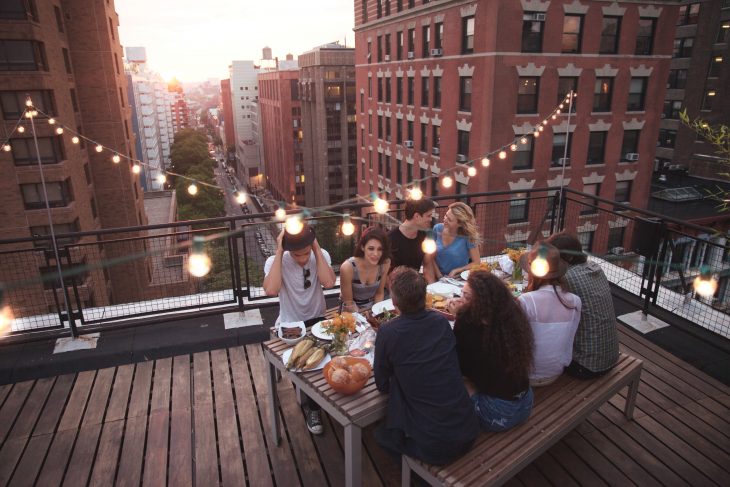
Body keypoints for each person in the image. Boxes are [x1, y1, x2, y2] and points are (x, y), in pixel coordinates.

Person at [374, 267, 478, 465]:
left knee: (381, 435)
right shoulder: (440, 322)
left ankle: (418, 477)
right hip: (468, 429)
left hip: (434, 446)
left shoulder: (388, 332)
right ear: (425, 296)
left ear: (394, 302)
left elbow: (382, 384)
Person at [263, 222, 336, 435]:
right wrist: (279, 251)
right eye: (296, 255)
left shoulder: (319, 254)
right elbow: (271, 289)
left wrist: (315, 249)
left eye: (306, 253)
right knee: (302, 365)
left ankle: (315, 400)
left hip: (318, 319)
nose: (303, 259)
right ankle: (313, 408)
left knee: (326, 359)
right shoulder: (276, 261)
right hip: (290, 324)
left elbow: (329, 282)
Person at [447, 271, 534, 431]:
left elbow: (458, 366)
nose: (460, 299)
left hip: (498, 414)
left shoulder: (468, 326)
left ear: (481, 303)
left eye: (466, 296)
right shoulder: (510, 320)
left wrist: (459, 318)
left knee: (451, 379)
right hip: (525, 403)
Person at [547, 232, 619, 379]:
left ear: (569, 258)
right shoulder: (595, 267)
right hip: (610, 355)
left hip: (586, 365)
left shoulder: (566, 278)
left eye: (554, 257)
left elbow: (547, 309)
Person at [518, 243, 581, 386]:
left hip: (525, 375)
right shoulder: (575, 301)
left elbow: (514, 341)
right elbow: (569, 340)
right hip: (556, 372)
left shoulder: (526, 301)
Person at [424, 202, 481, 282]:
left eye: (449, 220)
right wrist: (439, 275)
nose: (445, 220)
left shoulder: (468, 236)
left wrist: (457, 270)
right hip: (436, 277)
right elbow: (430, 257)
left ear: (460, 224)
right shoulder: (437, 229)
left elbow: (477, 262)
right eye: (446, 215)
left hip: (458, 278)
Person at [339, 228, 391, 311]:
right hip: (352, 311)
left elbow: (379, 293)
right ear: (362, 247)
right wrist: (364, 318)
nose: (376, 254)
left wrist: (377, 314)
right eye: (371, 248)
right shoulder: (348, 267)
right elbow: (349, 303)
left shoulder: (385, 263)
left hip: (373, 307)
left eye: (380, 249)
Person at [388, 197, 437, 272]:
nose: (430, 219)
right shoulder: (390, 239)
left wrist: (432, 284)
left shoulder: (424, 236)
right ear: (417, 216)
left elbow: (427, 265)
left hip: (417, 282)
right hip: (397, 282)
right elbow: (386, 274)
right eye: (428, 216)